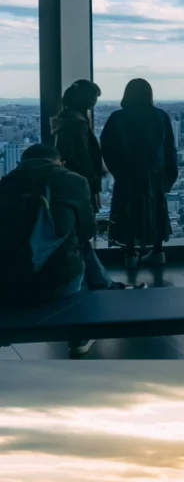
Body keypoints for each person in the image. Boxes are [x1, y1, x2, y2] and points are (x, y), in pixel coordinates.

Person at [0, 143, 124, 354]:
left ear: (21, 163)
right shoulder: (73, 182)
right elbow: (86, 231)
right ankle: (81, 331)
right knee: (76, 244)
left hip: (9, 283)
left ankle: (106, 286)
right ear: (60, 163)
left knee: (71, 243)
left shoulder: (5, 185)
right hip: (57, 283)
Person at [100, 77, 178, 271]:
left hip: (127, 174)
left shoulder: (117, 117)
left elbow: (107, 148)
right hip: (155, 173)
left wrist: (117, 171)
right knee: (156, 209)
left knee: (127, 210)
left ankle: (129, 254)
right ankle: (158, 252)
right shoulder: (160, 116)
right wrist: (169, 175)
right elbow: (169, 149)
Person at [51, 79, 105, 216]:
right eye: (93, 97)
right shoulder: (77, 123)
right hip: (81, 178)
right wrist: (92, 178)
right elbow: (82, 154)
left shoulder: (66, 118)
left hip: (68, 176)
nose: (94, 101)